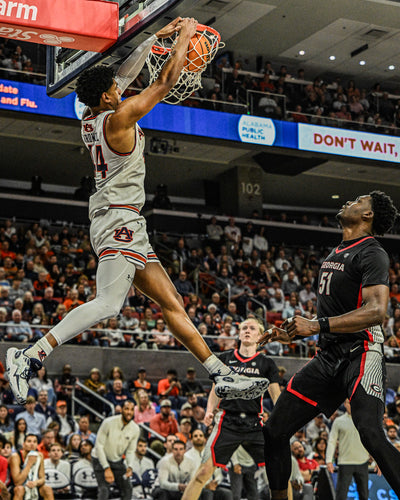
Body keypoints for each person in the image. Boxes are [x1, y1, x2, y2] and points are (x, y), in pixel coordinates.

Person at [6, 17, 267, 408]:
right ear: (109, 98)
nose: (119, 88)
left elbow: (122, 77)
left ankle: (221, 374)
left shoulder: (93, 115)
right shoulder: (120, 118)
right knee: (109, 304)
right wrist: (184, 38)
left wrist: (149, 40)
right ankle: (29, 356)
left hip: (125, 220)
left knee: (172, 303)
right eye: (115, 89)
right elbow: (162, 84)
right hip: (118, 219)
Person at [260, 191, 400, 500]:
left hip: (362, 353)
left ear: (369, 215)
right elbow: (332, 313)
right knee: (274, 430)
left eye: (360, 200)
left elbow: (377, 311)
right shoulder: (337, 251)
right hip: (328, 356)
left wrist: (316, 325)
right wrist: (296, 332)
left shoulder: (373, 252)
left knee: (371, 433)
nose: (350, 201)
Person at [182, 318, 281, 500]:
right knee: (203, 471)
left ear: (260, 336)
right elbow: (215, 388)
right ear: (239, 333)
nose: (247, 330)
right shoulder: (225, 358)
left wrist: (281, 417)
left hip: (255, 423)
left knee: (280, 474)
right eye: (244, 327)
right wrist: (210, 409)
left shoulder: (266, 363)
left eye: (252, 328)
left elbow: (276, 395)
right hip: (227, 421)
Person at [92, 400, 139, 500]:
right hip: (99, 459)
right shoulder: (108, 422)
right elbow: (99, 446)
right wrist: (106, 468)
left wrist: (130, 466)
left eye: (131, 409)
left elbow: (130, 450)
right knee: (104, 490)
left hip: (117, 460)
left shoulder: (135, 429)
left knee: (128, 488)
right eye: (126, 409)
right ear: (121, 410)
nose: (129, 412)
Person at [326, 399, 370, 500]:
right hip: (345, 462)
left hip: (362, 461)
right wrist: (329, 461)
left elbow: (373, 440)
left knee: (364, 495)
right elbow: (332, 441)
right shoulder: (339, 421)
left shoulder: (365, 420)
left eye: (352, 402)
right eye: (348, 402)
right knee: (341, 495)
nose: (350, 405)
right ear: (345, 405)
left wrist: (378, 461)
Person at [9, 433, 54, 500]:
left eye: (34, 442)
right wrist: (29, 463)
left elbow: (42, 479)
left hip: (34, 484)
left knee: (47, 489)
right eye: (29, 441)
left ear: (37, 445)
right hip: (18, 486)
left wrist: (35, 483)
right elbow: (17, 482)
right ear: (23, 444)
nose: (32, 444)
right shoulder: (15, 456)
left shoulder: (39, 456)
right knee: (19, 489)